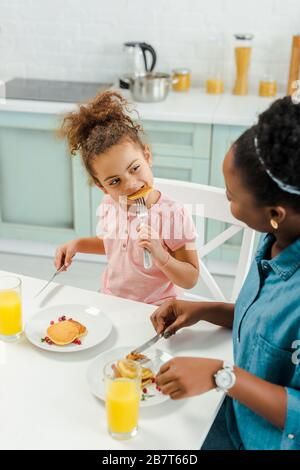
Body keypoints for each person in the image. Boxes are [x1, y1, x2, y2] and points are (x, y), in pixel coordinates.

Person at [151, 96, 300, 449]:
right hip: (229, 409)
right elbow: (268, 334)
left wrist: (222, 375)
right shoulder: (275, 241)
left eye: (232, 196)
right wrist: (204, 310)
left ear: (275, 212)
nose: (225, 199)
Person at [55, 91, 199, 305]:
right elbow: (113, 244)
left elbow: (190, 278)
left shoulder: (172, 215)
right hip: (113, 300)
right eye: (114, 181)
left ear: (147, 157)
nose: (130, 184)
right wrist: (78, 244)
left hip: (158, 308)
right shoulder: (109, 205)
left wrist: (161, 254)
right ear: (102, 187)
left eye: (134, 168)